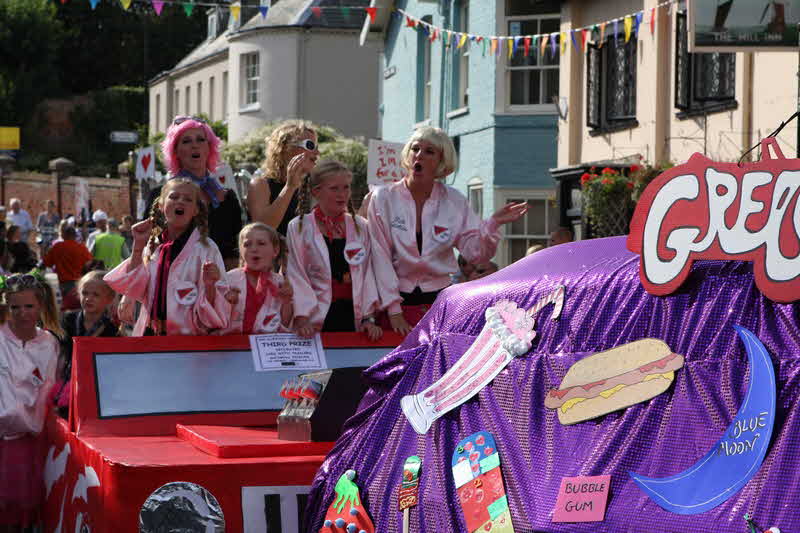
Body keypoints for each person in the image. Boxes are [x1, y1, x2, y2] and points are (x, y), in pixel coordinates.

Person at [368, 126, 528, 335]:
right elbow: (380, 257)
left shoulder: (454, 200)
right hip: (395, 304)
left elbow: (476, 254)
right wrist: (394, 311)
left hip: (440, 302)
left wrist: (493, 224)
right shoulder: (383, 198)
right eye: (415, 149)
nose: (419, 156)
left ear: (441, 162)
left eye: (429, 152)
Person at [104, 179, 226, 336]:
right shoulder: (153, 245)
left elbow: (218, 304)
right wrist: (138, 246)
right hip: (150, 334)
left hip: (188, 338)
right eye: (174, 197)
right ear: (161, 205)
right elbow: (135, 288)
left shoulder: (206, 248)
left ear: (196, 210)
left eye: (188, 199)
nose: (180, 201)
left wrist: (210, 285)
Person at [287, 160, 383, 340]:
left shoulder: (361, 226)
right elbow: (296, 274)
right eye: (334, 188)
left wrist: (368, 317)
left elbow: (367, 273)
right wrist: (302, 316)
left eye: (346, 187)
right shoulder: (299, 226)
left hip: (352, 315)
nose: (342, 194)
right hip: (315, 318)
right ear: (316, 192)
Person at [0, 272, 61, 530]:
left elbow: (48, 388)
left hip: (29, 438)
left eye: (29, 306)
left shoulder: (49, 343)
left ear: (41, 306)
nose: (22, 313)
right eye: (15, 307)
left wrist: (35, 423)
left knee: (23, 500)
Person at [146, 116, 243, 270]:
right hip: (173, 282)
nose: (195, 146)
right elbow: (150, 245)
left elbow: (235, 249)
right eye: (186, 141)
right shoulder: (159, 195)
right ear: (175, 151)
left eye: (200, 140)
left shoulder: (226, 197)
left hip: (218, 284)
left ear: (209, 147)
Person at [202, 223, 293, 334]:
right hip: (233, 347)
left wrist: (287, 302)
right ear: (241, 251)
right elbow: (212, 320)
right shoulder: (228, 280)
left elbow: (285, 324)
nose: (254, 249)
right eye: (247, 244)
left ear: (275, 250)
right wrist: (226, 303)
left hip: (265, 348)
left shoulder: (281, 284)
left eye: (261, 243)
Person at [54, 270, 118, 417]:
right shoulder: (68, 320)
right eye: (85, 293)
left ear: (109, 298)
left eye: (96, 295)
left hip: (97, 388)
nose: (88, 299)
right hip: (66, 384)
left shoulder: (111, 330)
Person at [247, 120, 319, 236]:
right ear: (286, 148)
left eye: (316, 147)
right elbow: (263, 230)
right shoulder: (260, 184)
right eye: (310, 145)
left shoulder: (314, 185)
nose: (317, 152)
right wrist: (290, 187)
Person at [43, 225, 93, 307]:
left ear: (64, 235)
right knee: (78, 305)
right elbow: (90, 263)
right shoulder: (81, 248)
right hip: (78, 282)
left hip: (63, 283)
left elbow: (47, 263)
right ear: (75, 236)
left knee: (66, 306)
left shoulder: (57, 247)